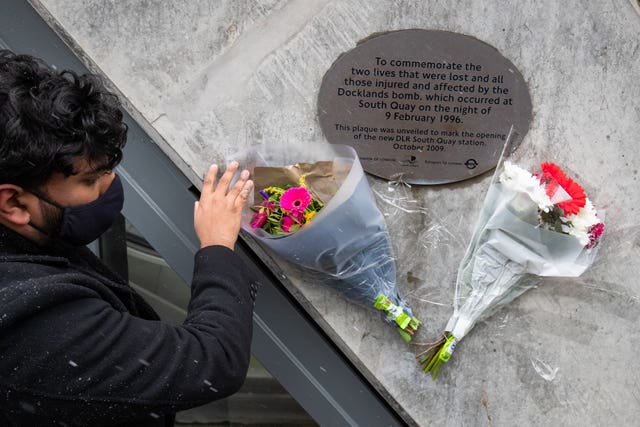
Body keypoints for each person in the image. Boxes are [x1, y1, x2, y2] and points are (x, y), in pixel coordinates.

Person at [0, 49, 256, 426]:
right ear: (13, 202)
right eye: (89, 180)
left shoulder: (25, 237)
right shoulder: (33, 325)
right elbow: (211, 360)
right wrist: (218, 245)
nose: (110, 186)